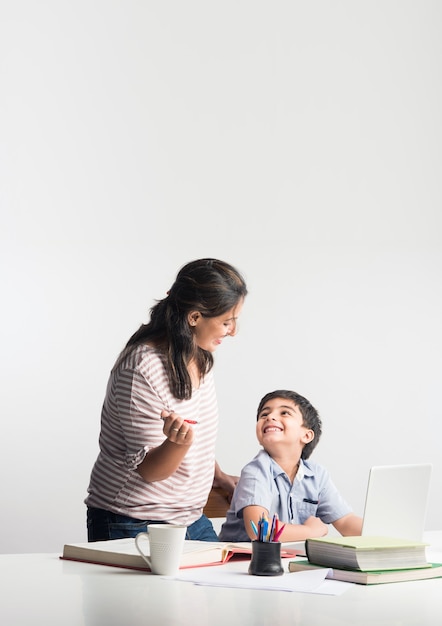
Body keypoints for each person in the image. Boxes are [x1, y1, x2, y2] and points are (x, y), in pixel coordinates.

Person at [85, 258, 247, 542]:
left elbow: (197, 438)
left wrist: (217, 476)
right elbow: (151, 471)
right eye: (226, 321)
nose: (233, 331)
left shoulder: (198, 355)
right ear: (194, 317)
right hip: (132, 520)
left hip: (189, 518)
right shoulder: (141, 368)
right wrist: (176, 443)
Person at [218, 389, 362, 542]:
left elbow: (346, 522)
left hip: (286, 559)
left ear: (306, 435)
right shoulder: (256, 471)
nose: (270, 417)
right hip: (243, 561)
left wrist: (384, 532)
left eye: (284, 413)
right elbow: (260, 530)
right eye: (264, 414)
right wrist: (310, 531)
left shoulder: (317, 475)